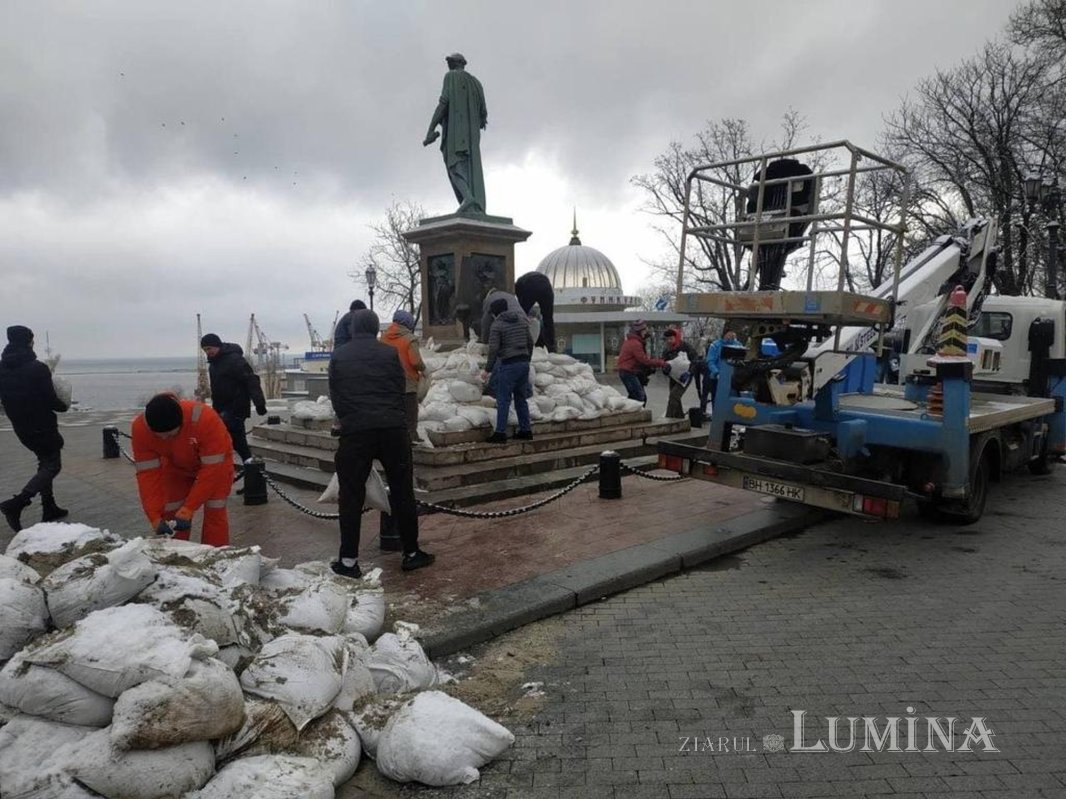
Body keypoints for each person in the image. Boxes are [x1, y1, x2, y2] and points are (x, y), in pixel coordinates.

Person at [329, 309, 433, 577]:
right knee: (402, 491)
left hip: (355, 432)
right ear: (376, 328)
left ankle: (349, 560)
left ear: (352, 328)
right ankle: (411, 552)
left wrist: (350, 419)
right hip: (392, 430)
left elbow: (336, 395)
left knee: (351, 497)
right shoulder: (389, 353)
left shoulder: (339, 355)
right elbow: (401, 389)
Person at [131, 393, 233, 546]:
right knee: (171, 509)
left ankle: (215, 554)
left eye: (171, 434)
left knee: (215, 509)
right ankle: (176, 552)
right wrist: (154, 517)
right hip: (175, 467)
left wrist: (189, 508)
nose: (166, 439)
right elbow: (147, 475)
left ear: (182, 423)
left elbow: (211, 472)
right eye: (160, 437)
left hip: (216, 466)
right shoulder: (141, 430)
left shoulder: (205, 420)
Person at [0, 325, 69, 531]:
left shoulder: (2, 368)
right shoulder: (37, 368)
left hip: (21, 427)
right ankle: (18, 503)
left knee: (44, 462)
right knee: (52, 466)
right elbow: (51, 400)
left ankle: (49, 507)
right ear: (28, 342)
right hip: (42, 426)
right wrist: (63, 405)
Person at [423, 52, 488, 215]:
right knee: (468, 166)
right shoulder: (477, 84)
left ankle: (468, 198)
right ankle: (471, 202)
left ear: (455, 63)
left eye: (450, 62)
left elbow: (443, 103)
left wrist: (431, 129)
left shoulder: (450, 77)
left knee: (454, 163)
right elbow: (483, 115)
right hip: (472, 135)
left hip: (456, 131)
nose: (448, 65)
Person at [200, 333, 267, 464]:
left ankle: (250, 466)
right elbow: (216, 389)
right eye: (205, 350)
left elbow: (251, 380)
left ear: (217, 346)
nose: (208, 352)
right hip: (221, 408)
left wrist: (259, 403)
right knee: (231, 439)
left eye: (210, 348)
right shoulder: (213, 364)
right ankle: (247, 464)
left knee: (236, 438)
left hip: (236, 407)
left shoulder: (235, 360)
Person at [481, 298, 534, 444]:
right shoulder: (522, 321)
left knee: (503, 399)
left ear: (495, 313)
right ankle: (526, 430)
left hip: (509, 364)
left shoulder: (497, 325)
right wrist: (527, 360)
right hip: (523, 364)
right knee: (521, 399)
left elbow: (493, 349)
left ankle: (500, 433)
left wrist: (488, 370)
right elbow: (530, 342)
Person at [381, 309, 426, 443]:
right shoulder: (410, 339)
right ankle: (411, 437)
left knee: (394, 411)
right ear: (408, 323)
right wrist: (424, 369)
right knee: (411, 412)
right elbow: (415, 361)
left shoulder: (384, 337)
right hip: (407, 382)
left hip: (389, 381)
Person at [616, 320, 665, 406]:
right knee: (639, 397)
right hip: (628, 372)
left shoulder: (632, 341)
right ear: (639, 331)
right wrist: (660, 363)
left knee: (635, 396)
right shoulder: (635, 344)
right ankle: (633, 415)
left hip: (628, 372)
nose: (646, 332)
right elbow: (644, 360)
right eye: (644, 330)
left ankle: (629, 412)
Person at [661, 327, 701, 419]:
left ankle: (668, 419)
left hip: (685, 377)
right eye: (667, 340)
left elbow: (695, 359)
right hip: (673, 377)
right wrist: (665, 370)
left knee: (674, 396)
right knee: (675, 398)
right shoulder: (666, 350)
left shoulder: (685, 346)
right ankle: (680, 418)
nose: (669, 341)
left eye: (671, 339)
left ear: (676, 337)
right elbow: (663, 362)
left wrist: (689, 372)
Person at [515, 271, 556, 352]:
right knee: (548, 318)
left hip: (531, 285)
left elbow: (520, 306)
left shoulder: (519, 284)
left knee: (521, 316)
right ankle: (551, 346)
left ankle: (519, 341)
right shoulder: (523, 280)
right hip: (546, 286)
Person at [702, 330, 740, 416]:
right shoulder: (715, 345)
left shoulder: (737, 345)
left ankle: (729, 417)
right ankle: (716, 416)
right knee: (716, 399)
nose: (731, 336)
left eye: (733, 334)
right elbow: (710, 361)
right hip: (716, 377)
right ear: (725, 334)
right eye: (729, 334)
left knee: (731, 399)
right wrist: (716, 372)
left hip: (732, 378)